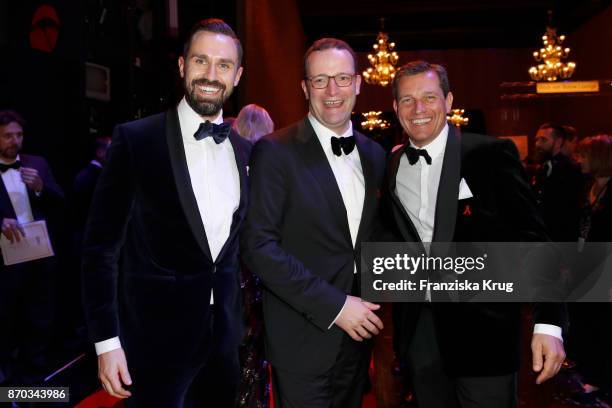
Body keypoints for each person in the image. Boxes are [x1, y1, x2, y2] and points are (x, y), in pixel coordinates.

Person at [81, 18, 251, 407]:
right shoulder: (136, 139)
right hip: (152, 344)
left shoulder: (244, 151)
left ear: (238, 75)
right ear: (181, 66)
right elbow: (99, 251)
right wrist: (107, 343)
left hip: (223, 342)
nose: (211, 75)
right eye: (200, 61)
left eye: (223, 65)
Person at [383, 61, 566, 407]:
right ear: (395, 108)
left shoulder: (490, 154)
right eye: (407, 100)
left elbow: (535, 239)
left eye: (429, 97)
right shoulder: (393, 166)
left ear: (449, 101)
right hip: (421, 333)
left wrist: (549, 322)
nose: (418, 109)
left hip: (485, 334)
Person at [241, 38, 386, 408]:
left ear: (357, 84)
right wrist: (336, 306)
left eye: (341, 78)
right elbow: (258, 246)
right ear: (305, 88)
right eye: (320, 80)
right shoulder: (275, 151)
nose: (332, 91)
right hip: (302, 339)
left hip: (359, 338)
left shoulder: (375, 154)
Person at [0, 109, 64, 386]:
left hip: (38, 257)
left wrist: (40, 187)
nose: (15, 141)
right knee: (5, 323)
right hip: (4, 263)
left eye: (19, 134)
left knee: (38, 322)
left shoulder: (37, 162)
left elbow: (61, 202)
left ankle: (34, 388)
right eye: (7, 136)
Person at [569, 135, 612, 404]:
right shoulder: (589, 186)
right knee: (589, 323)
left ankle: (600, 381)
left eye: (583, 156)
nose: (578, 160)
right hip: (587, 265)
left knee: (603, 326)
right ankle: (593, 376)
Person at [532, 122, 584, 242]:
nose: (538, 144)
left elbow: (567, 211)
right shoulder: (542, 168)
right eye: (537, 140)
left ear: (558, 143)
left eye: (543, 140)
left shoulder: (571, 170)